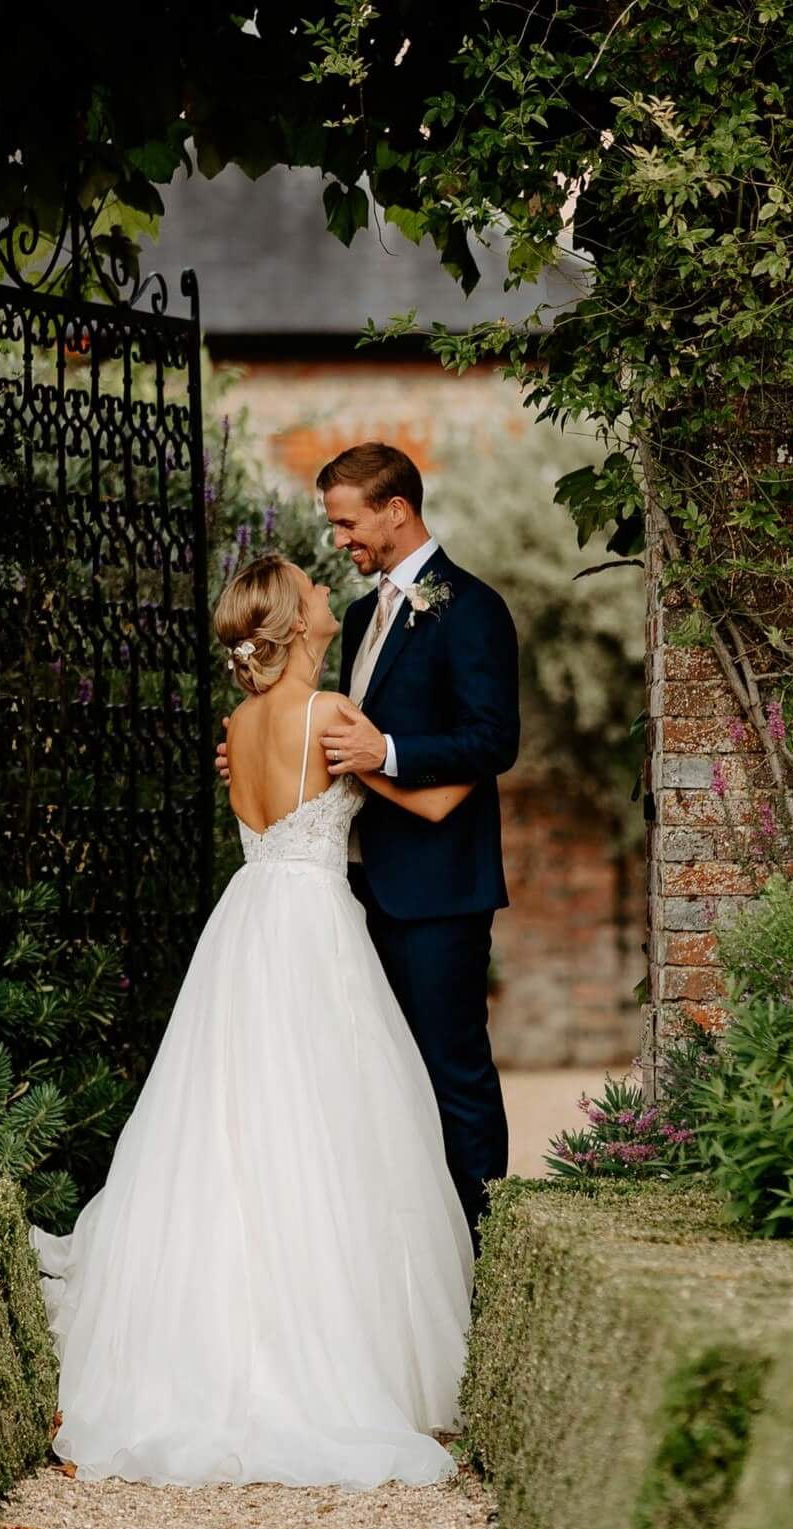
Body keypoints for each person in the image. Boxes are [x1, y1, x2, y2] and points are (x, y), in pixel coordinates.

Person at [29, 554, 475, 1489]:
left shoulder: (238, 723)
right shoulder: (331, 717)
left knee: (230, 1123)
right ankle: (328, 1347)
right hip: (313, 929)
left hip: (246, 924)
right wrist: (472, 764)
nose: (328, 598)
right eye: (315, 595)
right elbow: (427, 797)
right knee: (330, 1124)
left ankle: (217, 1334)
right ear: (299, 626)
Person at [221, 442, 521, 1238]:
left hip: (436, 887)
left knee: (450, 1071)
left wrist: (385, 754)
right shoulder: (357, 617)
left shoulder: (473, 608)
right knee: (378, 1082)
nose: (340, 539)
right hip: (350, 889)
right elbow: (321, 743)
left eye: (349, 522)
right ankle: (406, 1246)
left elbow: (493, 740)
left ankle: (484, 1246)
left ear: (397, 509)